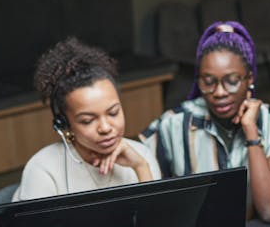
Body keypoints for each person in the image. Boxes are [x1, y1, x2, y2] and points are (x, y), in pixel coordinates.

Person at [140, 22, 270, 222]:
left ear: (249, 78)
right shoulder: (173, 124)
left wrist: (251, 133)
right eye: (208, 82)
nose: (219, 92)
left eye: (232, 81)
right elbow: (136, 172)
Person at [13, 37, 160, 201]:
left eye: (113, 113)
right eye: (88, 121)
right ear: (64, 124)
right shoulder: (43, 170)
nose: (105, 128)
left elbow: (157, 224)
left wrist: (140, 168)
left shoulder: (141, 156)